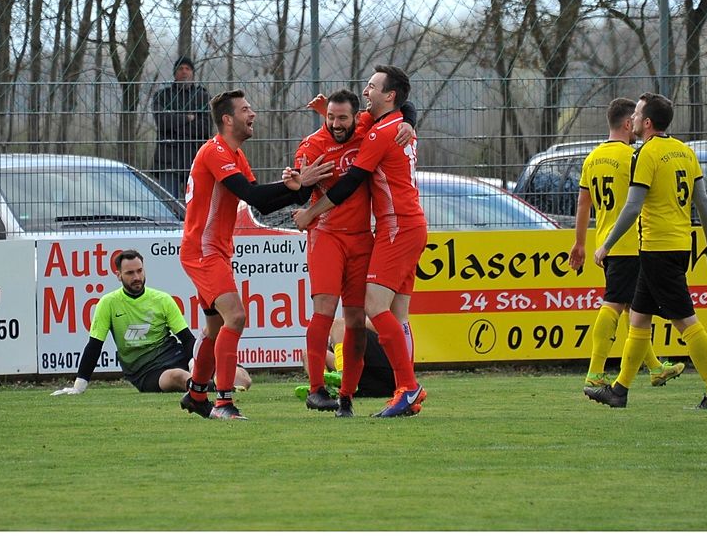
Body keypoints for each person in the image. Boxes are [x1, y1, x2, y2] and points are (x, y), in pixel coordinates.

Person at [179, 89, 333, 420]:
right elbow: (248, 192)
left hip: (214, 250)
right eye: (246, 109)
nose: (253, 115)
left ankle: (195, 395)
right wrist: (298, 186)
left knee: (216, 328)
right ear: (227, 119)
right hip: (202, 251)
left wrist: (300, 187)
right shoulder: (215, 151)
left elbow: (260, 202)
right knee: (235, 317)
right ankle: (223, 402)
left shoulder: (234, 155)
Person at [294, 65, 427, 418]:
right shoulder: (384, 123)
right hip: (400, 224)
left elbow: (351, 182)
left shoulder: (381, 132)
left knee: (372, 306)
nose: (366, 90)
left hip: (395, 225)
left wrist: (310, 213)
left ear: (390, 96)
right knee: (396, 314)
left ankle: (408, 388)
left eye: (372, 87)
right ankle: (401, 391)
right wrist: (297, 183)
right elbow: (297, 185)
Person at [586, 92, 707, 409]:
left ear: (648, 122)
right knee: (638, 319)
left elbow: (633, 206)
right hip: (679, 246)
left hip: (658, 249)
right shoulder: (684, 152)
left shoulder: (647, 154)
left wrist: (607, 243)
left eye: (638, 115)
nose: (634, 120)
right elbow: (703, 203)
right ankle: (619, 391)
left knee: (686, 322)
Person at [568, 98, 685, 391]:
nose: (635, 122)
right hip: (630, 243)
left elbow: (583, 203)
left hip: (605, 240)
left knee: (637, 308)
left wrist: (579, 243)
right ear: (625, 124)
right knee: (615, 304)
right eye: (632, 117)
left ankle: (656, 368)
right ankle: (595, 373)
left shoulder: (592, 158)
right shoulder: (633, 157)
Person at [50, 249, 250, 397]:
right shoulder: (108, 303)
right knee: (177, 377)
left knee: (242, 377)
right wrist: (79, 386)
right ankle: (219, 389)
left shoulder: (162, 299)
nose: (136, 277)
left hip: (175, 355)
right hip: (146, 371)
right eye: (130, 273)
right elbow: (94, 345)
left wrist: (195, 363)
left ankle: (217, 384)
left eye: (139, 271)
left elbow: (187, 340)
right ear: (118, 275)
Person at [151, 56, 213, 199]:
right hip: (168, 159)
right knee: (168, 205)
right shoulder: (162, 96)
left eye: (188, 69)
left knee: (195, 204)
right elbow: (162, 122)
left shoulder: (203, 97)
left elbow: (205, 128)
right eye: (180, 69)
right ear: (175, 73)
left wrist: (174, 124)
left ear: (192, 73)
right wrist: (187, 118)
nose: (184, 72)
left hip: (194, 158)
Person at [295, 317, 396, 402]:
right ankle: (322, 388)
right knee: (309, 352)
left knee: (340, 323)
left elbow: (385, 329)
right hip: (365, 384)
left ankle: (343, 373)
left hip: (388, 370)